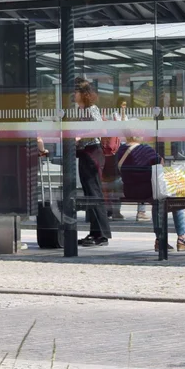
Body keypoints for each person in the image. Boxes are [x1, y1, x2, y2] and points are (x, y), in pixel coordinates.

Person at [116, 137, 185, 253]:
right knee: (173, 198)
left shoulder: (120, 151)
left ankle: (160, 240)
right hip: (147, 189)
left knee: (158, 200)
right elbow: (160, 162)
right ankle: (181, 239)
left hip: (129, 190)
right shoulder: (145, 149)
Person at [74, 78, 111, 247]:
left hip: (92, 153)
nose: (73, 95)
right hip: (84, 153)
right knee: (90, 193)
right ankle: (94, 232)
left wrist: (81, 136)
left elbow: (101, 129)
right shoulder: (79, 110)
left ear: (83, 94)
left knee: (94, 192)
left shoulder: (91, 109)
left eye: (75, 92)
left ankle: (102, 234)